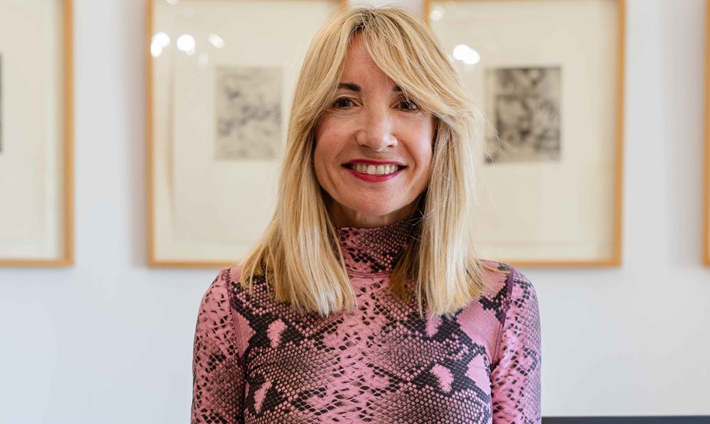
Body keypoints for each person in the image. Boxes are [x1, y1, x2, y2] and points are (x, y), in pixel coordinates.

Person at [191, 6, 540, 423]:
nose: (376, 136)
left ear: (440, 133)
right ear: (310, 130)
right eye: (344, 102)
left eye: (407, 103)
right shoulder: (236, 302)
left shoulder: (502, 300)